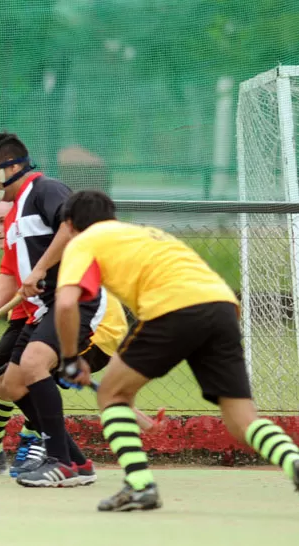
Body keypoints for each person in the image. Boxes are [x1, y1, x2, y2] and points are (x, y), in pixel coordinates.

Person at [54, 189, 299, 511]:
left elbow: (67, 303)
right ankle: (293, 460)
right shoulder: (145, 234)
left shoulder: (84, 241)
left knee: (112, 394)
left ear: (70, 224)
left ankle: (140, 486)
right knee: (242, 421)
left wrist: (70, 358)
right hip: (222, 308)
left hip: (173, 309)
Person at [0, 132, 124, 487]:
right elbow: (10, 271)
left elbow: (73, 226)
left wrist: (41, 270)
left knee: (35, 364)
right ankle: (77, 462)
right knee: (11, 383)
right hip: (43, 307)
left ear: (11, 167)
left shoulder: (46, 190)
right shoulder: (14, 216)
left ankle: (59, 462)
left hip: (76, 297)